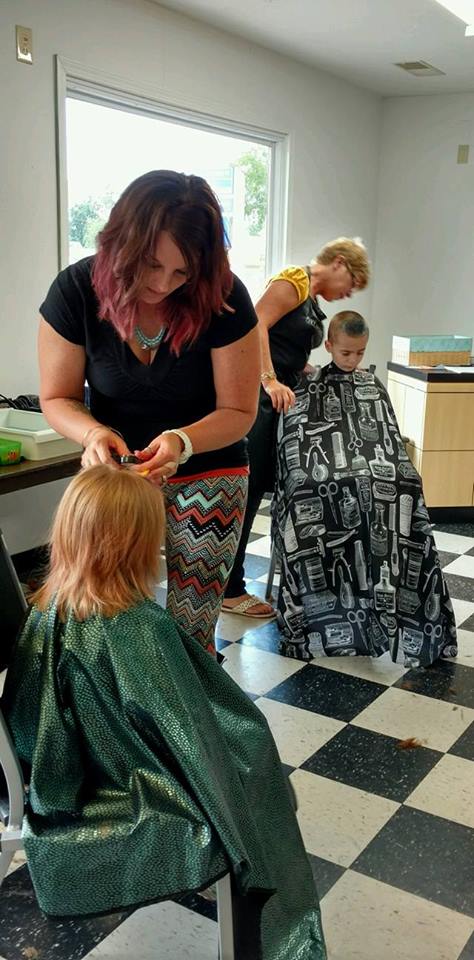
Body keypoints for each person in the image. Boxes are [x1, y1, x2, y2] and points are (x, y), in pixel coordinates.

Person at [2, 465, 327, 960]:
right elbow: (182, 730)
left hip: (77, 761)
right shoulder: (136, 626)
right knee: (252, 761)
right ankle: (261, 917)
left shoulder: (45, 608)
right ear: (138, 545)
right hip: (125, 773)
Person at [37, 170, 261, 655]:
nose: (163, 285)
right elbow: (57, 398)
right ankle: (117, 721)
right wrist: (93, 433)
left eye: (182, 273)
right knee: (105, 616)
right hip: (116, 477)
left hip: (209, 474)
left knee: (192, 633)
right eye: (151, 265)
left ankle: (190, 726)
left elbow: (240, 410)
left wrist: (183, 441)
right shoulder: (76, 290)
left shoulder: (223, 296)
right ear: (121, 242)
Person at [272, 310, 458, 665]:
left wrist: (398, 471)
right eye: (345, 353)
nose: (353, 360)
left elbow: (387, 442)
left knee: (403, 487)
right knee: (308, 494)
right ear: (328, 346)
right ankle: (317, 615)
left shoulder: (372, 386)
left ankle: (392, 609)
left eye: (360, 353)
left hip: (369, 478)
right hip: (321, 477)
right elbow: (294, 453)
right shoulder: (306, 386)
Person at [222, 237, 370, 619]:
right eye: (350, 283)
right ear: (338, 263)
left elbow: (285, 342)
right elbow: (255, 326)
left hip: (275, 402)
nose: (348, 293)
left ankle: (233, 583)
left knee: (260, 492)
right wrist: (270, 379)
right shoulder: (293, 282)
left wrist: (301, 369)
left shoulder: (310, 300)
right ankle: (230, 590)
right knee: (249, 493)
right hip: (258, 400)